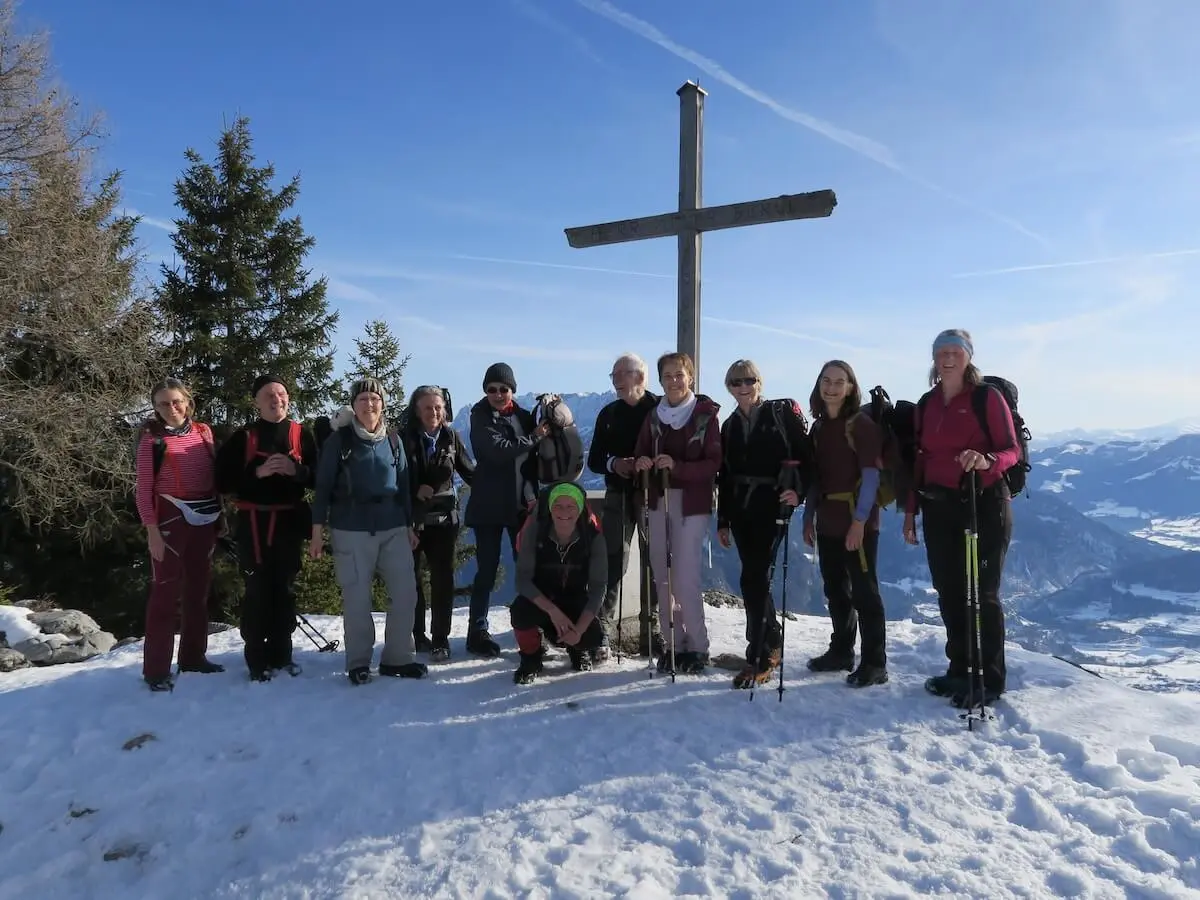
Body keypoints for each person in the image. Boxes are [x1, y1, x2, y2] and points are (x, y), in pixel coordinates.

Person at [903, 329, 1020, 708]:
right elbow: (919, 460)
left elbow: (1011, 449)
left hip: (982, 502)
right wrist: (910, 511)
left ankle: (989, 678)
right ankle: (960, 670)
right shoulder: (928, 403)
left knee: (981, 593)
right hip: (939, 506)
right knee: (950, 590)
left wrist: (987, 461)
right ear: (934, 358)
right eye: (941, 352)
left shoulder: (987, 397)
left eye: (955, 352)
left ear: (968, 356)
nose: (948, 358)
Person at [310, 378, 428, 685]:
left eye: (375, 398)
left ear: (383, 403)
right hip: (350, 528)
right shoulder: (341, 441)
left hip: (393, 525)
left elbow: (403, 485)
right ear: (353, 405)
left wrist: (409, 524)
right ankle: (359, 662)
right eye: (362, 398)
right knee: (357, 599)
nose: (370, 403)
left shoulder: (393, 439)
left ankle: (398, 659)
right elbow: (322, 487)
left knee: (406, 594)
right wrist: (316, 530)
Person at [215, 374, 318, 682]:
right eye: (269, 395)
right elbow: (222, 482)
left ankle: (282, 654)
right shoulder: (244, 437)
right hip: (254, 526)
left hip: (288, 522)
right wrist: (256, 473)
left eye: (282, 394)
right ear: (256, 401)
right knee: (258, 590)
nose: (277, 400)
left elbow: (320, 478)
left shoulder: (302, 434)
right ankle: (256, 660)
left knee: (284, 590)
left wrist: (296, 470)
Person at [716, 359, 811, 689]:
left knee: (754, 576)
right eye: (735, 382)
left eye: (749, 380)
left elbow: (806, 455)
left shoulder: (780, 416)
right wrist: (723, 519)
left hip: (772, 505)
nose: (743, 386)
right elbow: (724, 476)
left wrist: (799, 492)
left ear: (760, 382)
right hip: (741, 508)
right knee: (754, 578)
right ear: (728, 386)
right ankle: (768, 641)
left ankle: (761, 652)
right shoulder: (728, 426)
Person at [634, 351, 721, 675]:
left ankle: (697, 646)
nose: (673, 381)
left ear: (691, 378)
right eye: (667, 376)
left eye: (679, 375)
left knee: (684, 577)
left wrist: (678, 466)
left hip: (692, 503)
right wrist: (641, 462)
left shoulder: (704, 416)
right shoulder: (654, 417)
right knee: (662, 575)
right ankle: (673, 645)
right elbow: (641, 450)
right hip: (658, 499)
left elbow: (714, 463)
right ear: (660, 381)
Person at [803, 360, 889, 687]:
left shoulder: (861, 425)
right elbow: (816, 478)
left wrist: (859, 523)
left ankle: (875, 663)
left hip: (857, 521)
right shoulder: (820, 428)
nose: (832, 387)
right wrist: (809, 518)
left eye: (840, 381)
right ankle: (841, 651)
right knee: (836, 590)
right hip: (828, 519)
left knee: (865, 593)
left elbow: (871, 478)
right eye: (826, 380)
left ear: (851, 387)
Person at [134, 378, 222, 691]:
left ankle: (193, 658)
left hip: (204, 515)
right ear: (155, 408)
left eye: (176, 401)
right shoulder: (151, 440)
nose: (171, 409)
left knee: (198, 591)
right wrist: (152, 532)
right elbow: (144, 491)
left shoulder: (203, 432)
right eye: (163, 404)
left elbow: (214, 474)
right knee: (165, 594)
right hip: (169, 517)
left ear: (187, 401)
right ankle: (156, 670)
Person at [464, 363, 550, 657]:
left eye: (504, 389)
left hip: (519, 506)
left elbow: (530, 461)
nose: (498, 394)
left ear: (513, 390)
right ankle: (477, 631)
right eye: (492, 389)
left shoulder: (524, 416)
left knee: (527, 569)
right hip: (488, 506)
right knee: (486, 571)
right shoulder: (479, 416)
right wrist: (535, 437)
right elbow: (498, 450)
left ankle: (532, 628)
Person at [586, 352, 662, 661]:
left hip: (652, 494)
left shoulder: (660, 410)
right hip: (618, 494)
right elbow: (594, 461)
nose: (616, 380)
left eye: (622, 374)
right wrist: (616, 463)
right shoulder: (608, 414)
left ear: (640, 377)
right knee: (614, 560)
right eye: (613, 375)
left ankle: (652, 630)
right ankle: (601, 626)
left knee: (654, 561)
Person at [509, 481, 608, 684]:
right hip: (541, 600)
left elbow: (598, 588)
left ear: (580, 509)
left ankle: (577, 648)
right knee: (520, 611)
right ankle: (531, 658)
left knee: (592, 634)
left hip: (574, 600)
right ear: (550, 508)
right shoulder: (535, 532)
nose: (564, 512)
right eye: (558, 506)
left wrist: (579, 630)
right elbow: (522, 581)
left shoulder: (593, 538)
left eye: (571, 506)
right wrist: (553, 612)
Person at [405, 384, 475, 661]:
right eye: (427, 407)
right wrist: (414, 492)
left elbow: (470, 472)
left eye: (438, 407)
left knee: (442, 580)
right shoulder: (403, 439)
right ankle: (417, 635)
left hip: (445, 520)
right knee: (411, 581)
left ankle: (440, 639)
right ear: (416, 410)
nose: (434, 412)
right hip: (413, 520)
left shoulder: (451, 437)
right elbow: (395, 479)